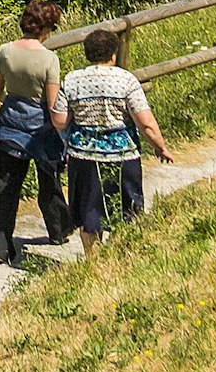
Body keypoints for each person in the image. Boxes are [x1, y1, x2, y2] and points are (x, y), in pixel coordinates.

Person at [59, 25, 172, 244]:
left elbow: (60, 120)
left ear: (87, 53)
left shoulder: (71, 80)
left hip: (83, 156)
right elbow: (145, 122)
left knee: (88, 214)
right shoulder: (126, 80)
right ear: (113, 54)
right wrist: (160, 146)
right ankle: (121, 258)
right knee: (126, 210)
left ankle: (93, 263)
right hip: (122, 155)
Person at [0, 0, 70, 263]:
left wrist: (10, 99)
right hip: (39, 128)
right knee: (49, 179)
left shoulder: (5, 51)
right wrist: (64, 131)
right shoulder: (49, 59)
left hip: (9, 123)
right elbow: (52, 104)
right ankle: (58, 229)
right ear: (47, 28)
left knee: (7, 185)